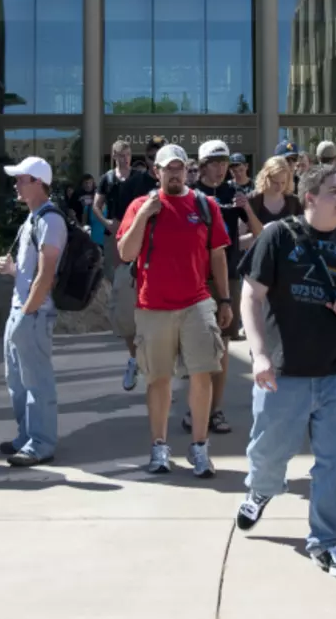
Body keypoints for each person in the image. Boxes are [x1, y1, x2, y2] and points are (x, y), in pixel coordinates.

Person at [235, 164, 336, 579]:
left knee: (335, 462)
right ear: (309, 198)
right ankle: (262, 490)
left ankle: (326, 542)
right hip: (284, 373)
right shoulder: (278, 237)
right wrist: (259, 354)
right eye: (333, 191)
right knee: (268, 455)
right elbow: (251, 294)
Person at [116, 144, 232, 477]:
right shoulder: (141, 205)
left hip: (196, 303)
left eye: (180, 168)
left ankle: (199, 448)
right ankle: (159, 447)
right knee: (159, 379)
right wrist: (143, 216)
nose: (175, 173)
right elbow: (125, 253)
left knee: (202, 375)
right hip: (153, 306)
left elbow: (218, 257)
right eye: (169, 168)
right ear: (157, 172)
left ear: (187, 170)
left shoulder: (204, 205)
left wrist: (224, 300)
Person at [182, 140, 263, 433]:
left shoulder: (234, 193)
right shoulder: (191, 195)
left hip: (227, 277)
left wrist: (247, 208)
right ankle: (195, 409)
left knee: (223, 348)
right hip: (195, 277)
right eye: (215, 163)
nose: (221, 169)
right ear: (202, 166)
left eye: (225, 163)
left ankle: (215, 410)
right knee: (195, 348)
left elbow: (258, 232)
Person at [0, 156, 68, 467]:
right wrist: (13, 271)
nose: (16, 184)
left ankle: (40, 443)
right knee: (17, 380)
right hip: (24, 310)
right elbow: (32, 273)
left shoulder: (50, 220)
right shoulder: (34, 219)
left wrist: (27, 312)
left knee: (36, 381)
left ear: (38, 183)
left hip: (33, 314)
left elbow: (47, 273)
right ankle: (27, 436)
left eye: (22, 179)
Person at [95, 137, 166, 392]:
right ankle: (135, 359)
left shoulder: (180, 187)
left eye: (160, 156)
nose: (156, 162)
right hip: (134, 260)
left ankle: (160, 377)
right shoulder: (132, 183)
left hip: (164, 264)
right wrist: (119, 260)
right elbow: (120, 224)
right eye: (151, 156)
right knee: (127, 318)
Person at [247, 156, 303, 226]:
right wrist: (265, 231)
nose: (279, 187)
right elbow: (239, 236)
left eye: (283, 182)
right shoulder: (252, 200)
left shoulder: (294, 201)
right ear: (265, 178)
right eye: (275, 182)